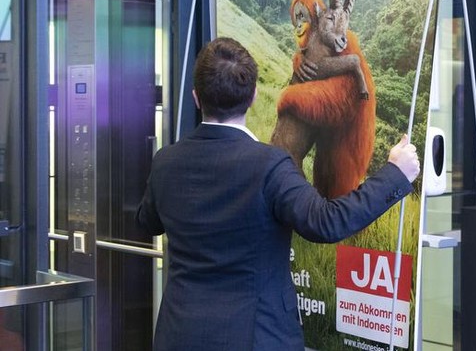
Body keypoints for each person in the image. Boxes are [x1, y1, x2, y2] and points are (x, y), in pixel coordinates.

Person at [136, 37, 420, 351]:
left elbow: (148, 223)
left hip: (179, 336)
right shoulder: (270, 165)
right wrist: (396, 173)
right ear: (254, 96)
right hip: (258, 338)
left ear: (195, 97)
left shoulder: (165, 162)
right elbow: (327, 222)